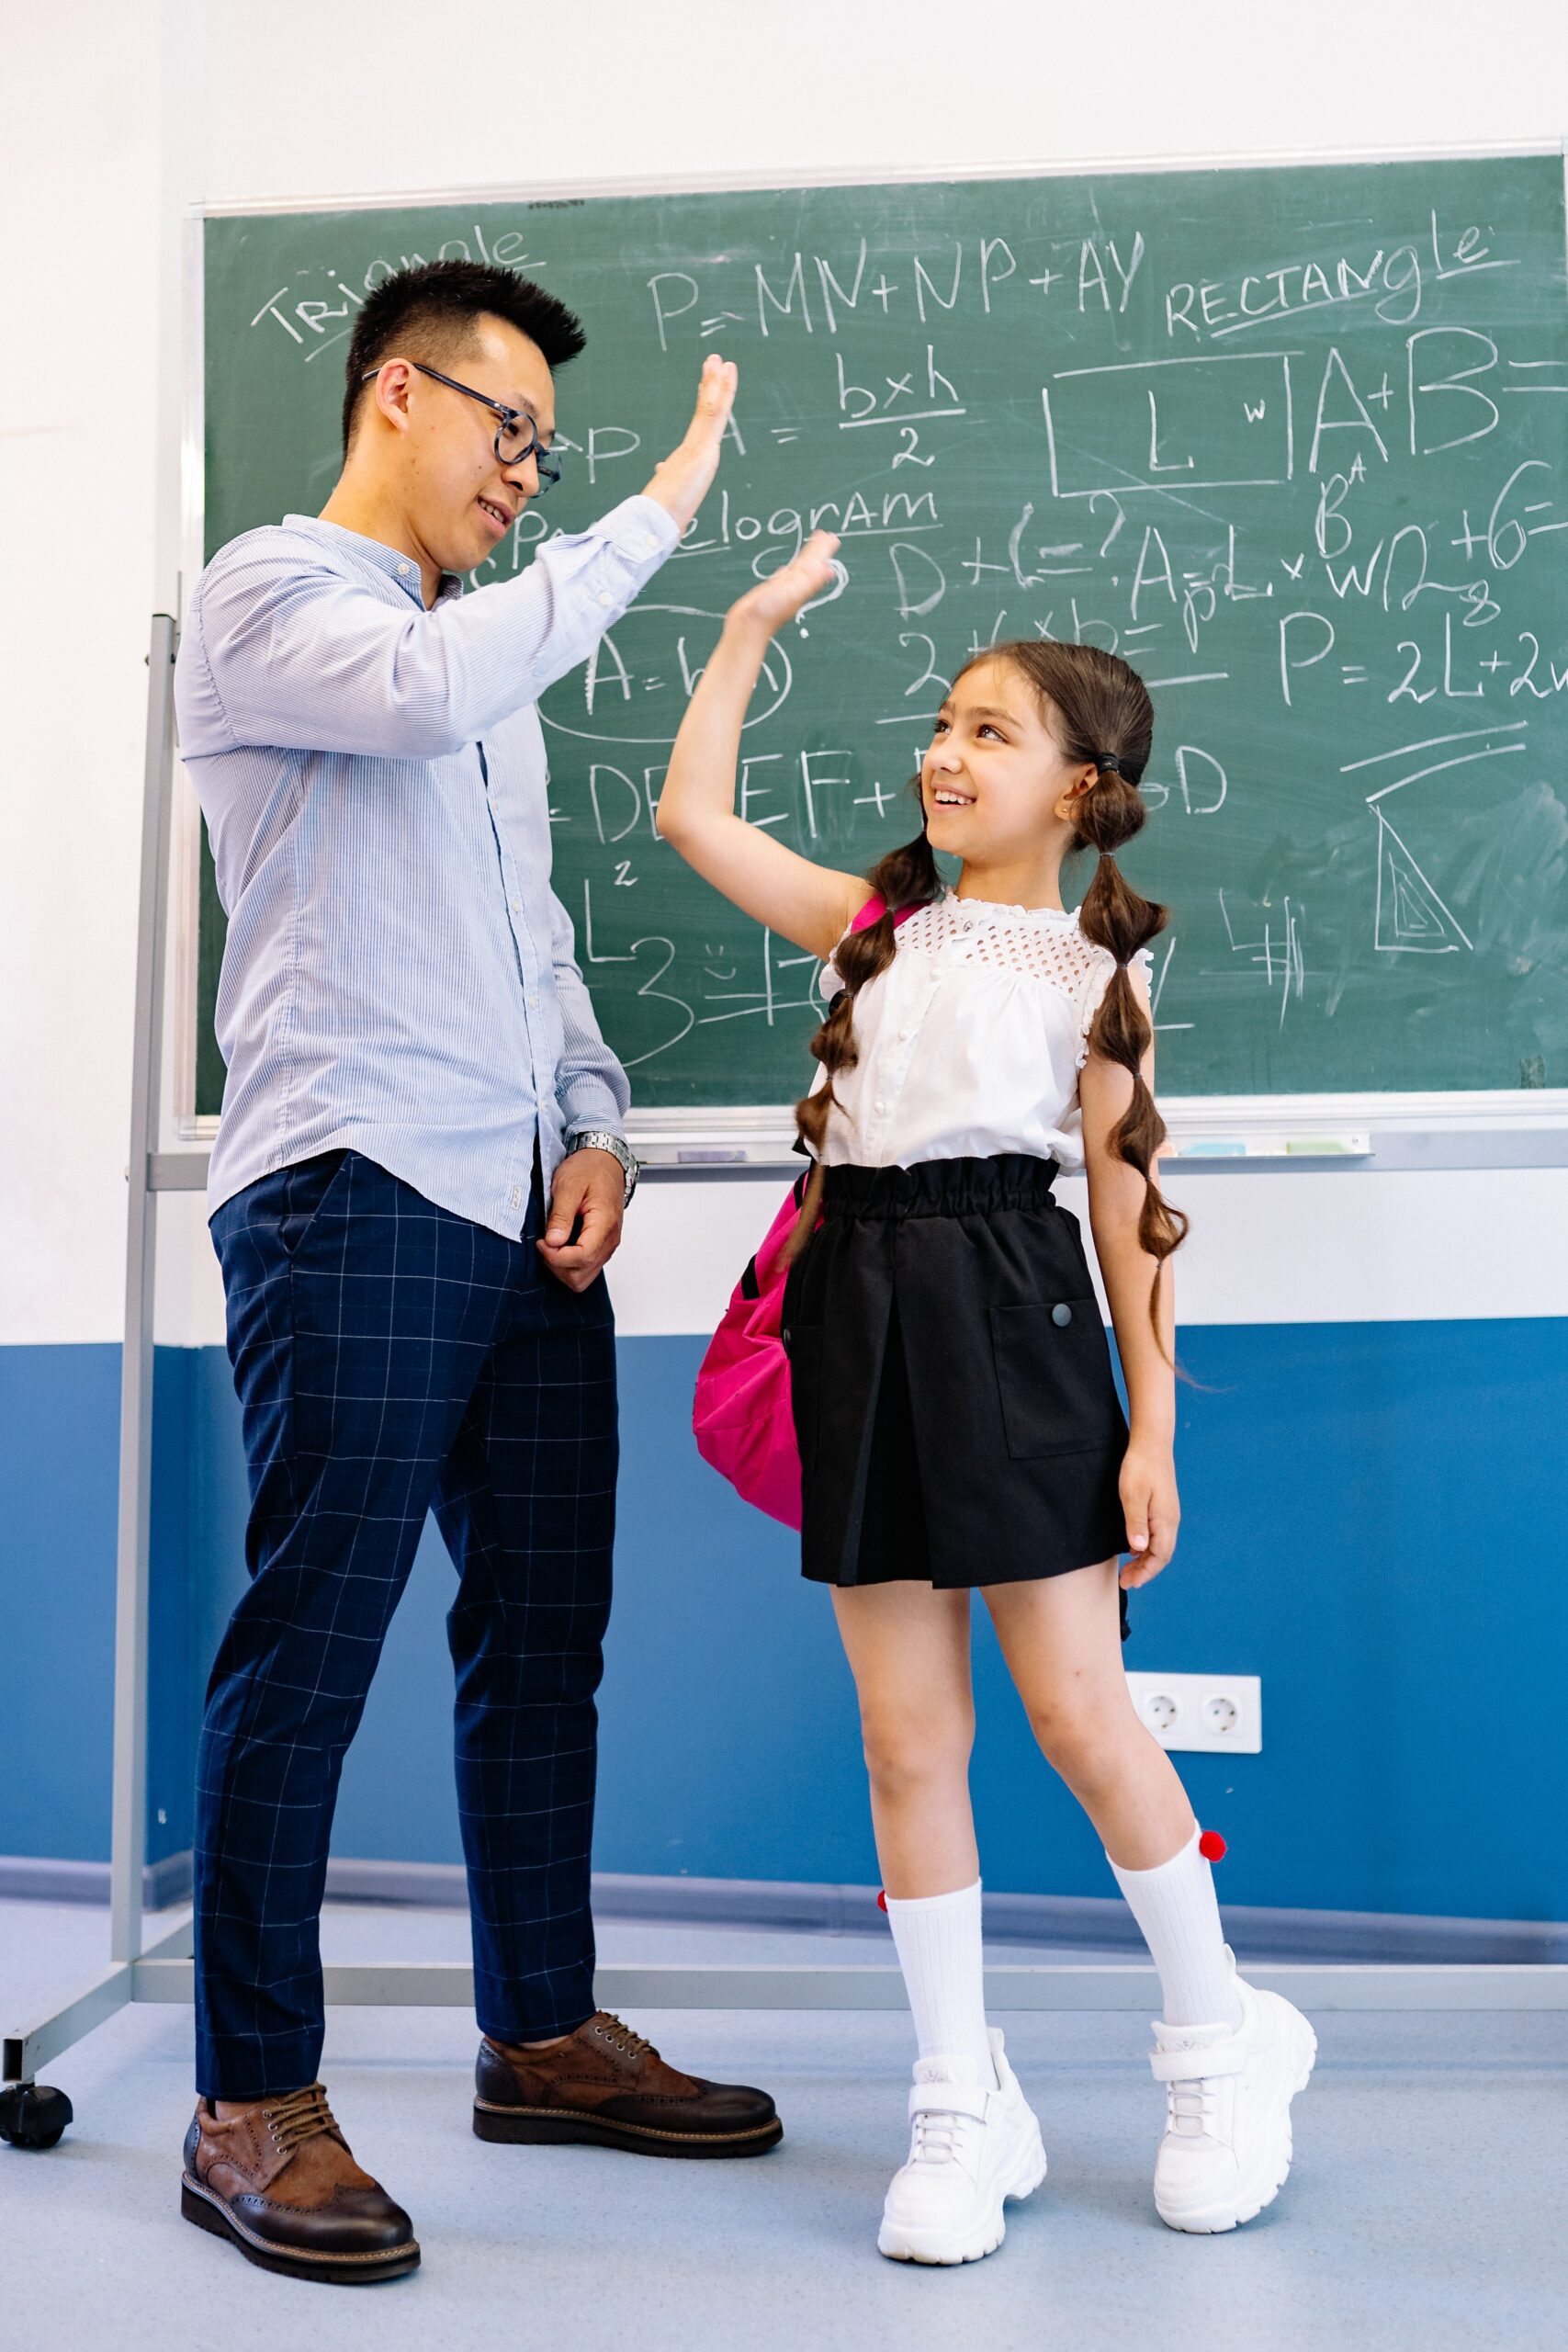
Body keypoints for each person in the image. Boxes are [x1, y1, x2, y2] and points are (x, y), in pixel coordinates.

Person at [175, 261, 778, 2289]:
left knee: (544, 1635)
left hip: (517, 1204)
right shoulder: (277, 595)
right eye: (508, 429)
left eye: (555, 447)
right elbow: (427, 694)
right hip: (351, 1183)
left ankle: (537, 2024)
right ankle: (250, 2094)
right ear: (396, 396)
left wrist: (597, 1118)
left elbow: (528, 944)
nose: (531, 471)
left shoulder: (476, 669)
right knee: (314, 1640)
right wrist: (664, 504)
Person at [656, 530, 1316, 2265]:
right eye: (943, 723)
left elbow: (1125, 1219)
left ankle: (1219, 2041)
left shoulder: (1097, 982)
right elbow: (694, 824)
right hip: (855, 1323)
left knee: (1086, 1720)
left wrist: (1155, 1427)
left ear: (1082, 789)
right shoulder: (879, 926)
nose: (946, 753)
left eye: (994, 731)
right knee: (903, 1738)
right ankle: (962, 2096)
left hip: (1013, 1325)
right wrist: (742, 629)